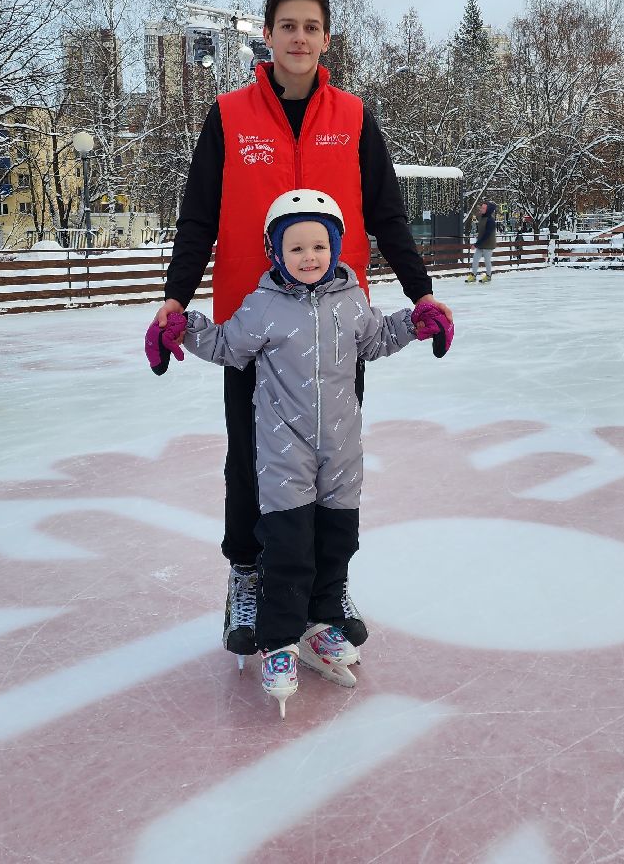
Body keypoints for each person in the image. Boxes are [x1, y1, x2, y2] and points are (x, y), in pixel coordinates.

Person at [148, 0, 454, 660]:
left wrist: (421, 292)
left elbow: (387, 215)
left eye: (311, 26)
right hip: (253, 325)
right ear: (267, 33)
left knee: (331, 459)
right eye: (288, 25)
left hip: (337, 326)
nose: (299, 37)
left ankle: (326, 587)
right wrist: (176, 297)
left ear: (325, 36)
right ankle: (249, 575)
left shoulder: (352, 116)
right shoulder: (229, 116)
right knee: (251, 462)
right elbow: (197, 218)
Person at [150, 189, 453, 716]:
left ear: (335, 248)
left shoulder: (351, 298)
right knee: (288, 546)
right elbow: (227, 347)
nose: (309, 257)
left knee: (338, 540)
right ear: (276, 253)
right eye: (296, 248)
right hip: (283, 448)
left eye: (319, 245)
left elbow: (375, 339)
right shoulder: (264, 305)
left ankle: (321, 622)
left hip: (341, 446)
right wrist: (185, 328)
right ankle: (279, 639)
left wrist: (414, 324)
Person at [466, 200, 497, 283]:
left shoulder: (490, 220)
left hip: (488, 244)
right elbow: (481, 231)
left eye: (483, 208)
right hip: (481, 243)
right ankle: (473, 275)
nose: (481, 209)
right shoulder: (482, 217)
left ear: (488, 210)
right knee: (475, 258)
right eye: (481, 207)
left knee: (487, 260)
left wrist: (476, 244)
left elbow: (487, 234)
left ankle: (488, 276)